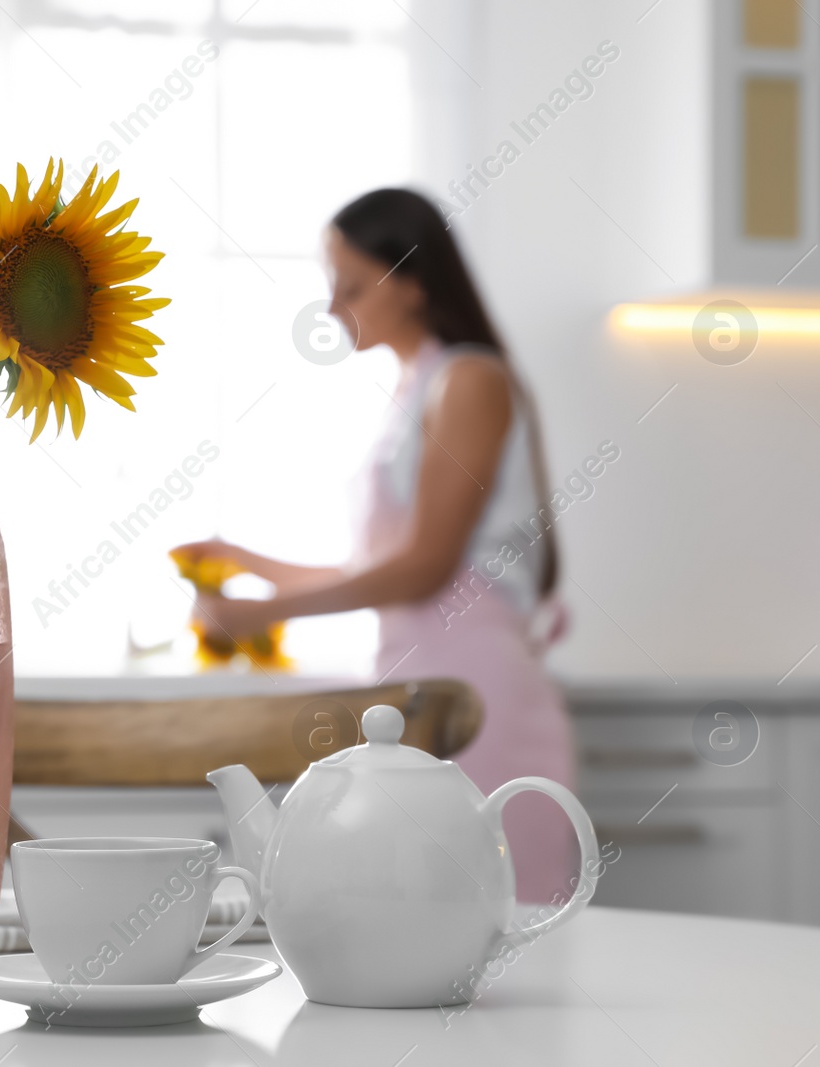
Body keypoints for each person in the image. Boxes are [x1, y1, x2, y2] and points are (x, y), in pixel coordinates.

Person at [174, 188, 577, 904]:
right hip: (421, 684)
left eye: (352, 286)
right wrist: (252, 564)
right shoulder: (417, 389)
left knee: (495, 911)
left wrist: (263, 615)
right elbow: (382, 569)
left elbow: (425, 569)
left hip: (476, 695)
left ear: (415, 282)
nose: (333, 308)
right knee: (426, 911)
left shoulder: (470, 382)